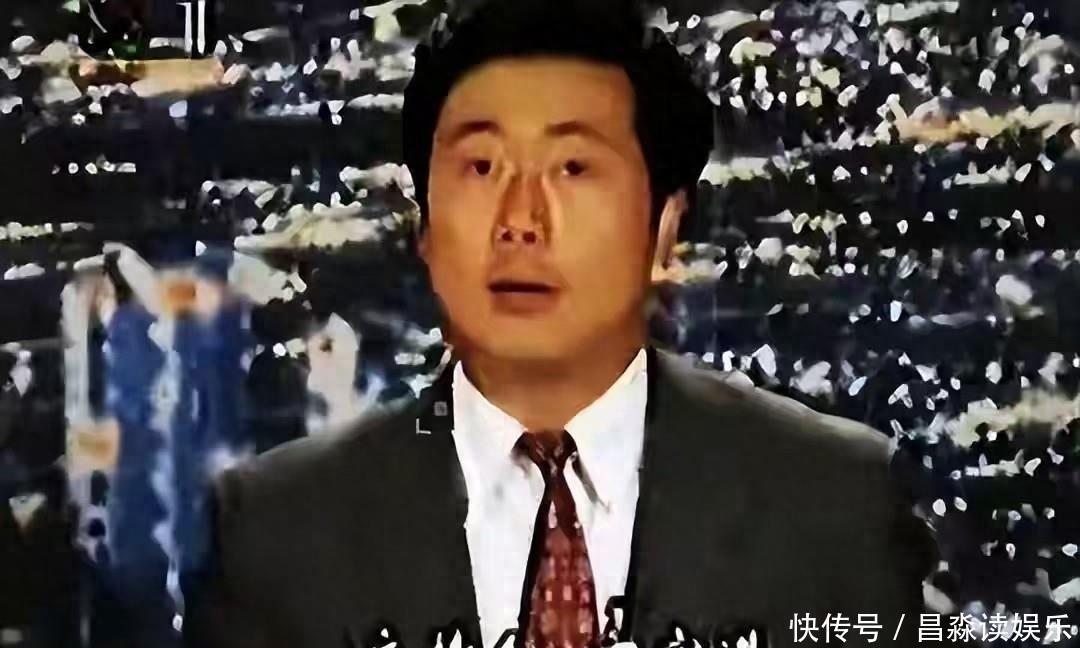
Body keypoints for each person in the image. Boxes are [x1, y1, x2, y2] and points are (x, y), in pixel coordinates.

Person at [182, 0, 945, 647]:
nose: (521, 219)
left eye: (573, 169)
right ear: (425, 225)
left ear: (663, 228)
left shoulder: (833, 501)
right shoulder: (275, 530)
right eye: (482, 168)